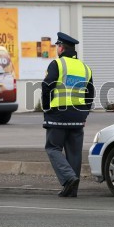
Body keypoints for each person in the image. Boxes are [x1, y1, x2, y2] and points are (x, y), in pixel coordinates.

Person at [42, 32, 94, 197]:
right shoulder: (86, 68)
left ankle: (69, 177)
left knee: (52, 148)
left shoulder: (57, 64)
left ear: (62, 47)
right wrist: (84, 115)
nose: (57, 48)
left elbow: (46, 86)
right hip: (78, 117)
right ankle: (72, 190)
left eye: (57, 46)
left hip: (58, 115)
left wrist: (46, 108)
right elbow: (90, 94)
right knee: (74, 153)